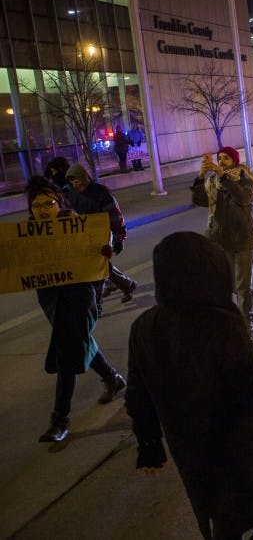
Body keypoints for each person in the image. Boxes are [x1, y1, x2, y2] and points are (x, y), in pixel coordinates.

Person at [125, 231, 253, 539]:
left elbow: (138, 395)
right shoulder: (221, 324)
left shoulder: (144, 327)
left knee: (224, 519)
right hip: (240, 451)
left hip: (192, 455)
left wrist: (149, 444)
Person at [26, 176, 126, 443]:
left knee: (67, 349)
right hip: (51, 297)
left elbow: (97, 254)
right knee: (79, 340)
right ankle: (112, 378)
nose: (43, 209)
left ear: (58, 202)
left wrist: (104, 251)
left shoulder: (76, 224)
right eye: (36, 206)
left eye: (48, 203)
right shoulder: (28, 234)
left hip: (81, 294)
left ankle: (60, 419)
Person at [191, 146, 253, 336]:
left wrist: (224, 176)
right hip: (219, 238)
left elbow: (243, 198)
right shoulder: (212, 181)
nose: (221, 161)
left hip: (242, 238)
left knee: (242, 284)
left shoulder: (244, 177)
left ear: (235, 161)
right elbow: (200, 201)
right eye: (219, 158)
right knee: (228, 284)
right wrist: (200, 177)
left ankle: (245, 325)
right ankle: (252, 299)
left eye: (226, 159)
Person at [65, 163, 138, 306]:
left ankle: (99, 302)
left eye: (77, 180)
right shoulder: (72, 194)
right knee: (99, 265)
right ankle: (124, 284)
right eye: (72, 181)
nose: (75, 184)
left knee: (97, 265)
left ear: (84, 178)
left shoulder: (100, 192)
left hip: (103, 234)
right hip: (85, 236)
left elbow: (114, 214)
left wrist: (119, 237)